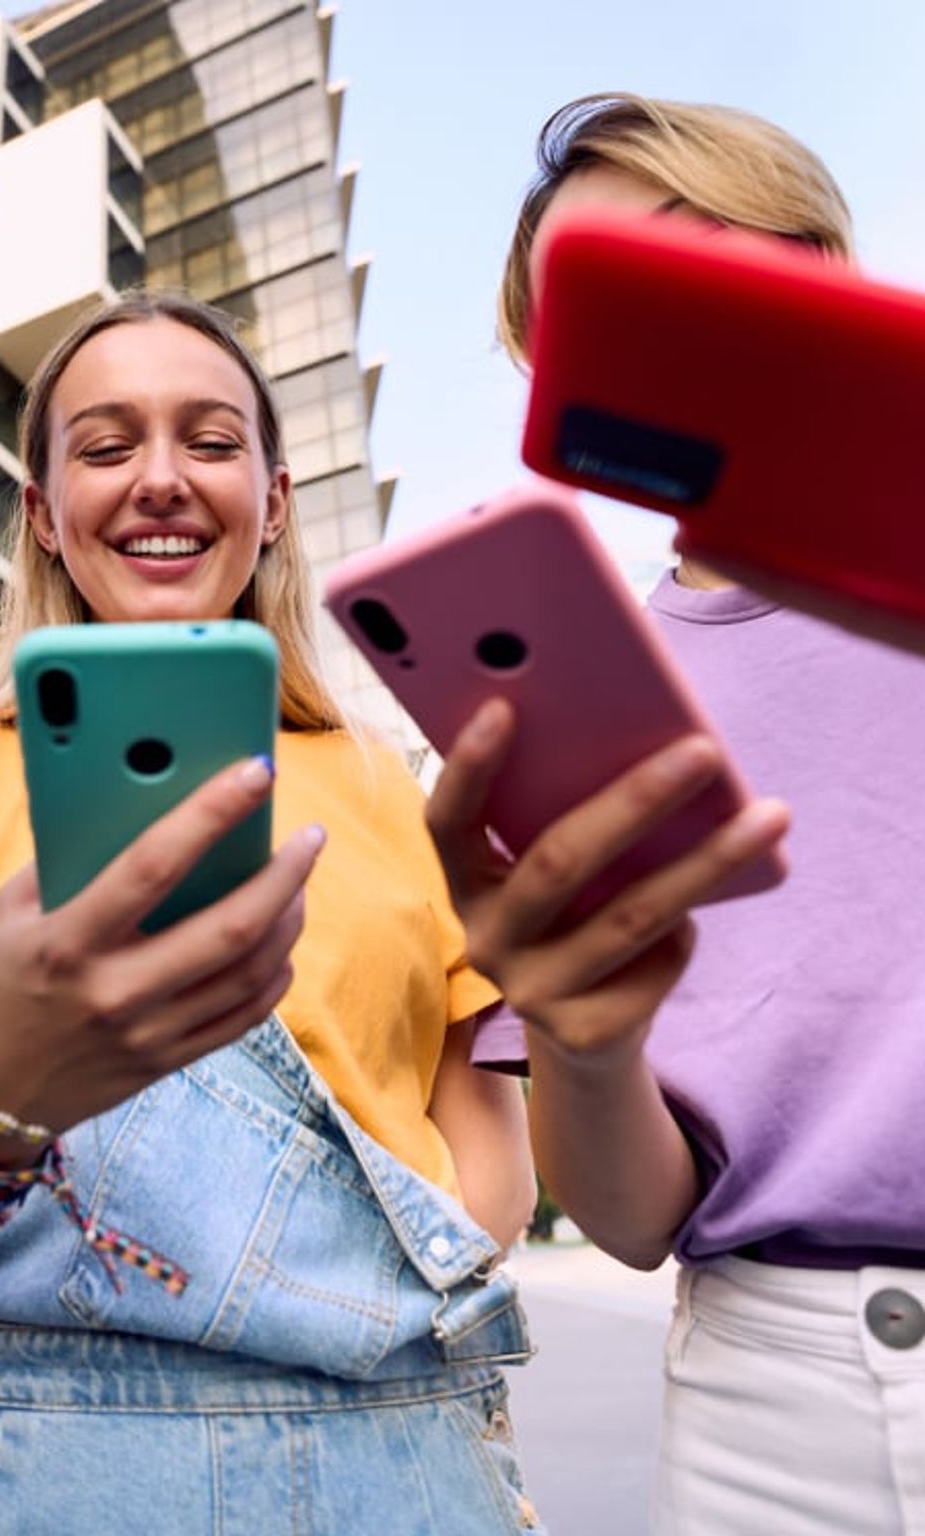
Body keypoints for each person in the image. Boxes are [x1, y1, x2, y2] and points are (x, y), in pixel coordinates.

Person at [0, 290, 545, 1535]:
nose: (160, 479)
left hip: (394, 1461)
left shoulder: (399, 789)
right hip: (11, 1471)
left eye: (210, 441)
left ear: (274, 502)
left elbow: (488, 1191)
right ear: (43, 513)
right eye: (105, 447)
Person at [431, 92, 925, 1536]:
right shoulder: (582, 699)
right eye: (587, 309)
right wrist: (585, 1038)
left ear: (810, 256)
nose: (647, 321)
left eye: (681, 248)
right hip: (772, 1403)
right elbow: (636, 1218)